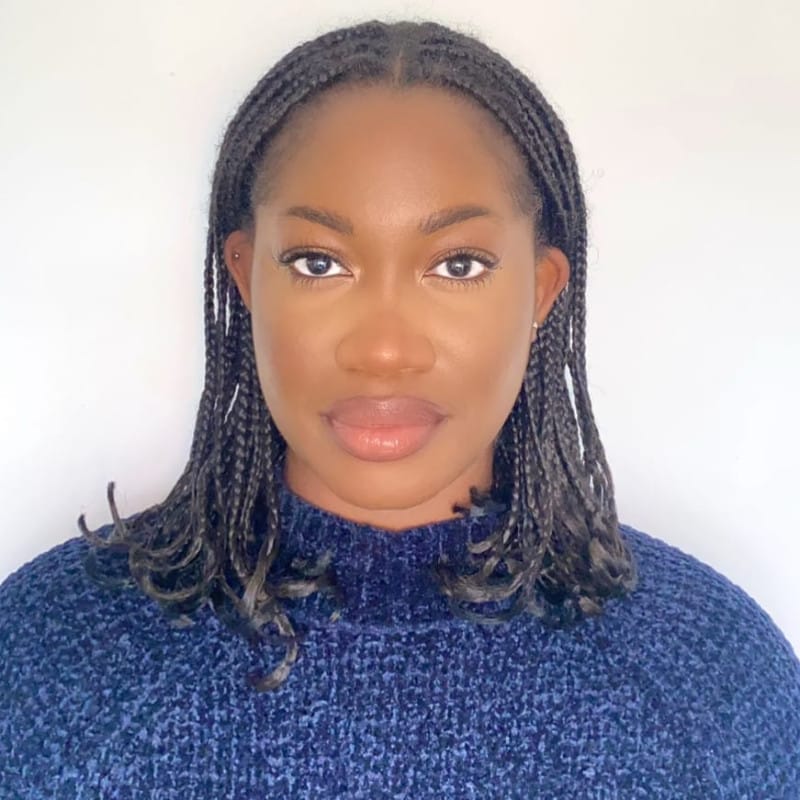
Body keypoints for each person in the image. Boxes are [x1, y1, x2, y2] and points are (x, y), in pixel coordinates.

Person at [1, 18, 798, 799]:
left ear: (543, 289)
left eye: (458, 264)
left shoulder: (717, 688)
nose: (384, 351)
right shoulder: (46, 667)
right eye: (318, 262)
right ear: (244, 276)